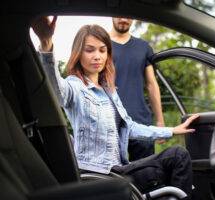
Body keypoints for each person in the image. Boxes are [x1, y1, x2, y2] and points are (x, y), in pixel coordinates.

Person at [32, 16, 199, 198]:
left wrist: (171, 130)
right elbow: (56, 91)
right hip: (97, 175)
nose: (97, 56)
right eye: (90, 50)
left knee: (176, 160)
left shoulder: (109, 91)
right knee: (178, 157)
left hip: (118, 170)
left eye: (102, 50)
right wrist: (46, 43)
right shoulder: (75, 86)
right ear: (78, 54)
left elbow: (131, 127)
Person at [110, 17, 164, 161]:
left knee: (145, 174)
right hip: (110, 122)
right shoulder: (101, 47)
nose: (123, 19)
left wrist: (160, 121)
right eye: (119, 15)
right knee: (113, 176)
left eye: (127, 16)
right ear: (112, 15)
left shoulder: (143, 47)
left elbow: (152, 84)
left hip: (141, 120)